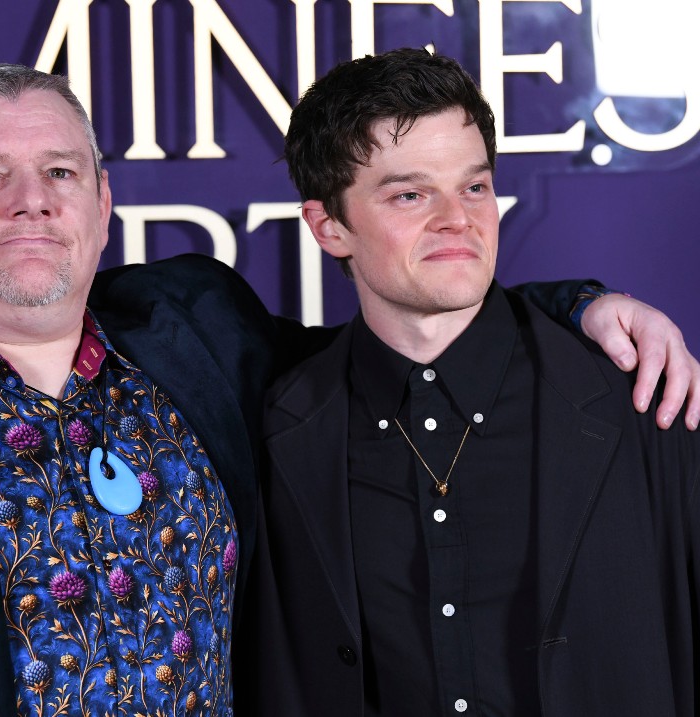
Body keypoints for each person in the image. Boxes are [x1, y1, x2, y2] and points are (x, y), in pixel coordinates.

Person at [0, 63, 695, 716]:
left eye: (62, 174)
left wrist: (576, 306)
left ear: (104, 203)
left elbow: (407, 321)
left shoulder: (201, 338)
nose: (32, 201)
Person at [250, 47, 700, 715]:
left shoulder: (643, 394)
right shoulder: (279, 428)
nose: (456, 217)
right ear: (329, 226)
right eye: (410, 193)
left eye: (475, 186)